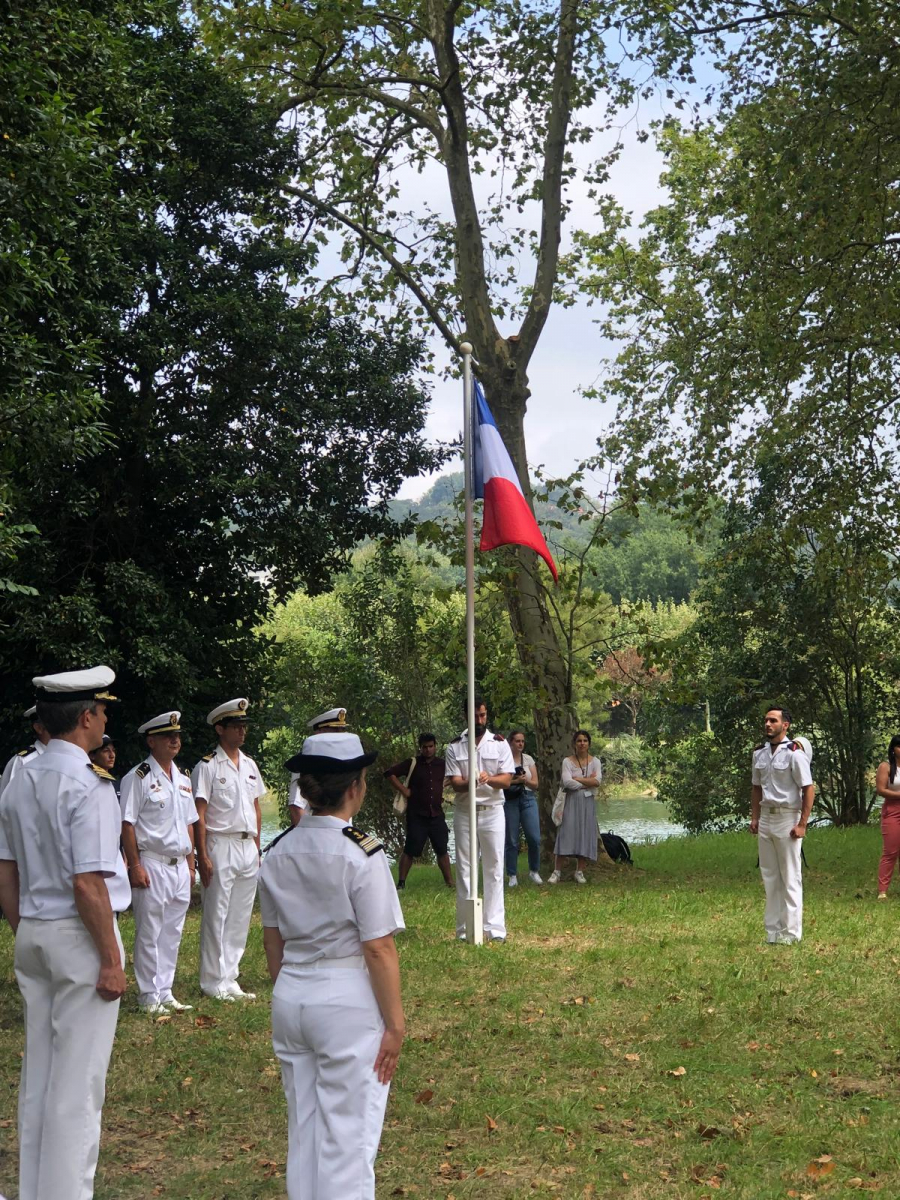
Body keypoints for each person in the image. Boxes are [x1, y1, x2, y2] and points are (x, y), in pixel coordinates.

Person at [0, 666, 130, 1200]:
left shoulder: (18, 776)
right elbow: (88, 883)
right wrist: (110, 958)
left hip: (33, 930)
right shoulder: (89, 784)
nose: (104, 720)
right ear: (84, 717)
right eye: (101, 711)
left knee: (42, 1081)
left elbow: (6, 871)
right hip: (80, 939)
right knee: (77, 1090)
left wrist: (26, 927)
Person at [258, 730, 405, 1200]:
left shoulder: (277, 851)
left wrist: (293, 989)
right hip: (344, 998)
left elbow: (272, 938)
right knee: (349, 1140)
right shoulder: (361, 851)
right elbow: (378, 947)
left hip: (293, 994)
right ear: (356, 786)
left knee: (306, 1131)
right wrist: (396, 1025)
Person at [120, 711, 198, 1013]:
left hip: (179, 865)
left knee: (172, 932)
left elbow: (190, 822)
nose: (175, 740)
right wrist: (135, 866)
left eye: (177, 735)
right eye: (168, 736)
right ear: (151, 740)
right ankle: (148, 995)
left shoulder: (182, 778)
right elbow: (127, 824)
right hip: (151, 863)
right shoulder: (138, 777)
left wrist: (191, 864)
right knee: (150, 932)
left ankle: (165, 990)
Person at [192, 697, 266, 1001]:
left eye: (244, 727)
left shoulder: (249, 764)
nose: (242, 732)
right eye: (236, 727)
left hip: (247, 845)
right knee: (216, 914)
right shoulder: (207, 766)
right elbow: (199, 813)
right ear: (220, 728)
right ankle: (212, 979)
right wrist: (202, 855)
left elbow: (256, 806)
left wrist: (258, 845)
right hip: (220, 843)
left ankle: (230, 976)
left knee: (240, 915)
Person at [445, 696, 514, 942]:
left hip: (493, 811)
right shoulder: (454, 746)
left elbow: (506, 780)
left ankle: (495, 929)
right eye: (475, 716)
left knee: (494, 868)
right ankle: (465, 930)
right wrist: (472, 782)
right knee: (465, 869)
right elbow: (455, 784)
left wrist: (488, 779)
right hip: (465, 813)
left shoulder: (499, 744)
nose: (480, 720)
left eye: (483, 715)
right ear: (466, 715)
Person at [749, 705, 815, 944]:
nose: (768, 724)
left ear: (785, 725)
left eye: (773, 721)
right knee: (770, 876)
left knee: (790, 877)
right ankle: (773, 932)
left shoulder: (794, 753)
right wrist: (755, 817)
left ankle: (791, 933)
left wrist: (802, 824)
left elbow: (808, 789)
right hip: (766, 817)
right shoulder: (759, 753)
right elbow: (756, 788)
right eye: (766, 720)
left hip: (788, 817)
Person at [385, 732, 453, 889]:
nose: (428, 750)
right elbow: (389, 773)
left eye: (431, 746)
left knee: (442, 849)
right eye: (425, 747)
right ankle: (401, 883)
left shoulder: (442, 764)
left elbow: (454, 776)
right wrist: (404, 790)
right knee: (410, 849)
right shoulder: (412, 763)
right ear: (420, 748)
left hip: (436, 814)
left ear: (435, 746)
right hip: (417, 815)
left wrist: (442, 786)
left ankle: (450, 882)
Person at [549, 729, 602, 884]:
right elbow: (567, 782)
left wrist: (577, 778)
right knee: (566, 832)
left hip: (587, 803)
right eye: (579, 741)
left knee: (585, 834)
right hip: (570, 802)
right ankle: (556, 871)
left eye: (585, 740)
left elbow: (597, 781)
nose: (582, 743)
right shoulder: (567, 761)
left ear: (589, 743)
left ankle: (579, 871)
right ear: (574, 743)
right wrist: (587, 781)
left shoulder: (596, 762)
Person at [288, 706, 349, 827]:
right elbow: (296, 807)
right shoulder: (307, 763)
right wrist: (308, 840)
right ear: (319, 733)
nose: (339, 735)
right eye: (335, 731)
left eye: (341, 730)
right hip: (315, 835)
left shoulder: (346, 763)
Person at [503, 731, 543, 887]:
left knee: (534, 838)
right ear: (510, 742)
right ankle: (512, 875)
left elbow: (535, 784)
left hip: (528, 798)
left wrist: (524, 780)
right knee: (512, 840)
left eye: (522, 741)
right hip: (510, 800)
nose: (520, 744)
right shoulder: (504, 760)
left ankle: (534, 871)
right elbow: (502, 782)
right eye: (517, 741)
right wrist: (514, 781)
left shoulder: (528, 759)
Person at [0, 705, 51, 797]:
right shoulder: (24, 762)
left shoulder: (68, 757)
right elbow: (11, 806)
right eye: (55, 722)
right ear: (38, 728)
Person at [875, 735, 900, 899]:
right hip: (892, 809)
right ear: (893, 749)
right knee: (891, 851)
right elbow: (881, 789)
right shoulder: (886, 766)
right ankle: (882, 890)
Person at [89, 734, 119, 798]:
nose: (112, 755)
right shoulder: (89, 783)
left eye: (113, 750)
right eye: (106, 751)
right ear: (92, 755)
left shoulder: (116, 784)